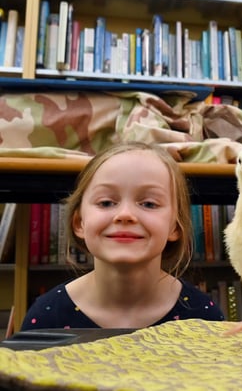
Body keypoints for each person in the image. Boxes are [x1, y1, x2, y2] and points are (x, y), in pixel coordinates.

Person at [21, 141, 224, 330]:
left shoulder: (204, 318)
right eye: (106, 203)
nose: (125, 215)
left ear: (175, 227)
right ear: (79, 223)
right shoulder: (46, 317)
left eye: (149, 204)